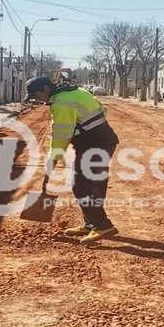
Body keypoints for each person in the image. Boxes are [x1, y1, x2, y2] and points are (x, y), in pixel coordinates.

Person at [25, 76, 118, 244]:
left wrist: (53, 158)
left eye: (37, 95)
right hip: (99, 142)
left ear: (45, 88)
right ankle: (91, 224)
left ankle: (103, 226)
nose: (37, 100)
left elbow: (62, 135)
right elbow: (102, 110)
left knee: (82, 185)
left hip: (96, 145)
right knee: (90, 184)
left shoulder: (62, 102)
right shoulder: (73, 91)